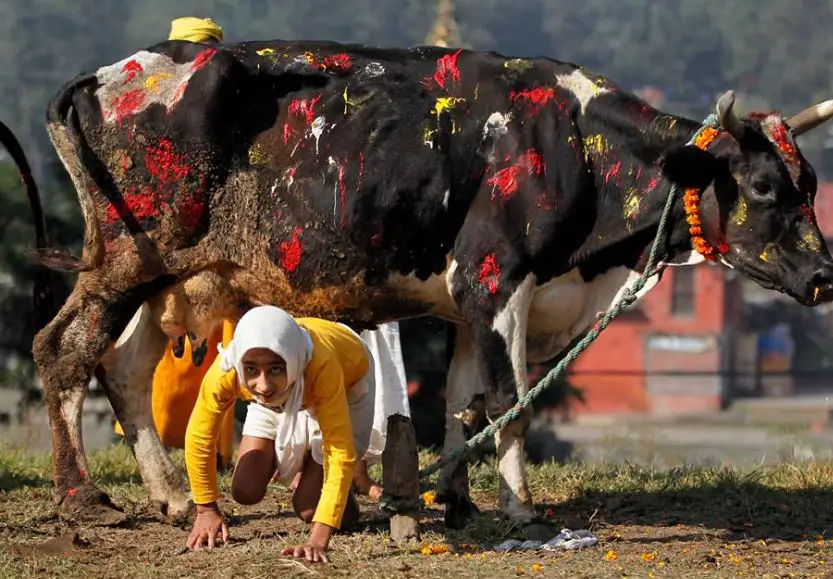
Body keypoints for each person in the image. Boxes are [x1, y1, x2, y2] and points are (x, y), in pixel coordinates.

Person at [184, 306, 385, 562]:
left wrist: (318, 537)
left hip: (343, 387)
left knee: (309, 508)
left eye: (275, 368)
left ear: (291, 359)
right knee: (245, 490)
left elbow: (339, 450)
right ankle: (308, 464)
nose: (264, 384)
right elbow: (199, 436)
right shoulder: (228, 370)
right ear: (240, 362)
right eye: (252, 370)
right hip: (283, 396)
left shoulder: (323, 365)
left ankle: (339, 491)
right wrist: (206, 510)